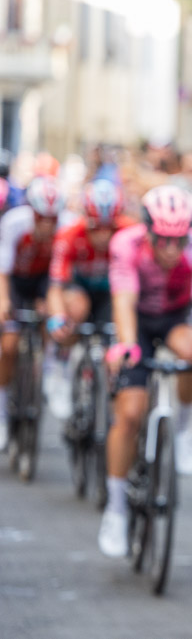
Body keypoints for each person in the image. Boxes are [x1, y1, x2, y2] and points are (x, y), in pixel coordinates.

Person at [99, 185, 192, 557]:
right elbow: (123, 300)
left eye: (179, 240)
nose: (171, 249)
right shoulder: (126, 244)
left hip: (174, 317)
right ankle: (116, 508)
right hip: (137, 318)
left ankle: (183, 429)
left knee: (191, 355)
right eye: (163, 240)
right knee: (130, 413)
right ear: (148, 232)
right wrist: (126, 345)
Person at [44, 180, 129, 418]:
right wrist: (58, 317)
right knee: (76, 307)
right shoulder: (69, 234)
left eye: (108, 228)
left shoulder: (128, 233)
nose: (103, 235)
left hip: (110, 295)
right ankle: (60, 364)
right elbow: (55, 286)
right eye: (95, 228)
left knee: (116, 328)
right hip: (79, 291)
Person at [0, 176, 65, 452]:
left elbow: (61, 274)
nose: (47, 226)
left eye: (52, 219)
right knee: (9, 346)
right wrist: (3, 301)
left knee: (51, 319)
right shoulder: (15, 222)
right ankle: (2, 411)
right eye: (42, 218)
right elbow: (3, 269)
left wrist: (50, 302)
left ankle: (49, 369)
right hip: (16, 280)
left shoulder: (66, 227)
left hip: (44, 282)